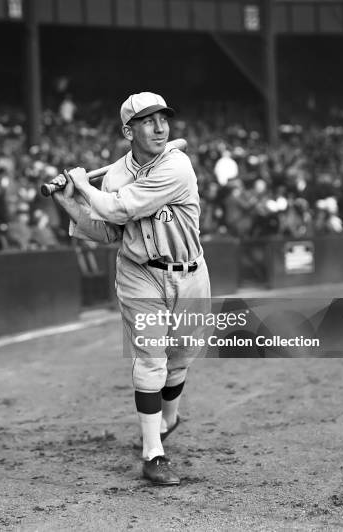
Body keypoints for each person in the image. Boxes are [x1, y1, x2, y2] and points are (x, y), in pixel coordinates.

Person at [51, 92, 211, 486]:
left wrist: (83, 186)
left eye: (163, 119)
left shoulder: (178, 165)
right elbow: (106, 229)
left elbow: (118, 208)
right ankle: (153, 452)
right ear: (129, 131)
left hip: (190, 270)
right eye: (148, 121)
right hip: (140, 273)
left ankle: (168, 419)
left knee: (181, 358)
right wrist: (69, 201)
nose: (160, 128)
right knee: (151, 358)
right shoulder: (117, 176)